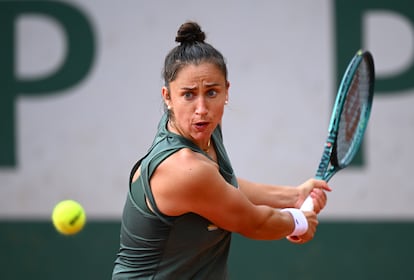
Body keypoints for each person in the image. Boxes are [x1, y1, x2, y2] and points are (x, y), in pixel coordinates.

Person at [112, 21, 331, 279]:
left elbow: (224, 187)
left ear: (227, 91)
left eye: (212, 92)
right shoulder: (184, 168)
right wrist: (299, 220)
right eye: (188, 95)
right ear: (167, 97)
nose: (202, 108)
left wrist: (293, 196)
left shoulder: (203, 129)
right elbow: (254, 223)